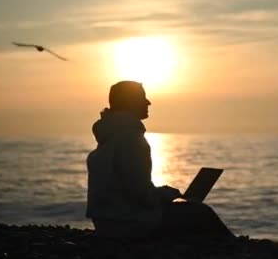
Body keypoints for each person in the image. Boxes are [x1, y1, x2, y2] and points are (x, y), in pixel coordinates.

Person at [86, 80, 234, 239]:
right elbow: (142, 196)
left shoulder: (109, 137)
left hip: (106, 224)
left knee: (190, 216)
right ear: (129, 101)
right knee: (201, 213)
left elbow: (129, 189)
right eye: (142, 97)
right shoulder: (130, 139)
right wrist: (167, 195)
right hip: (128, 225)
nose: (148, 102)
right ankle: (238, 249)